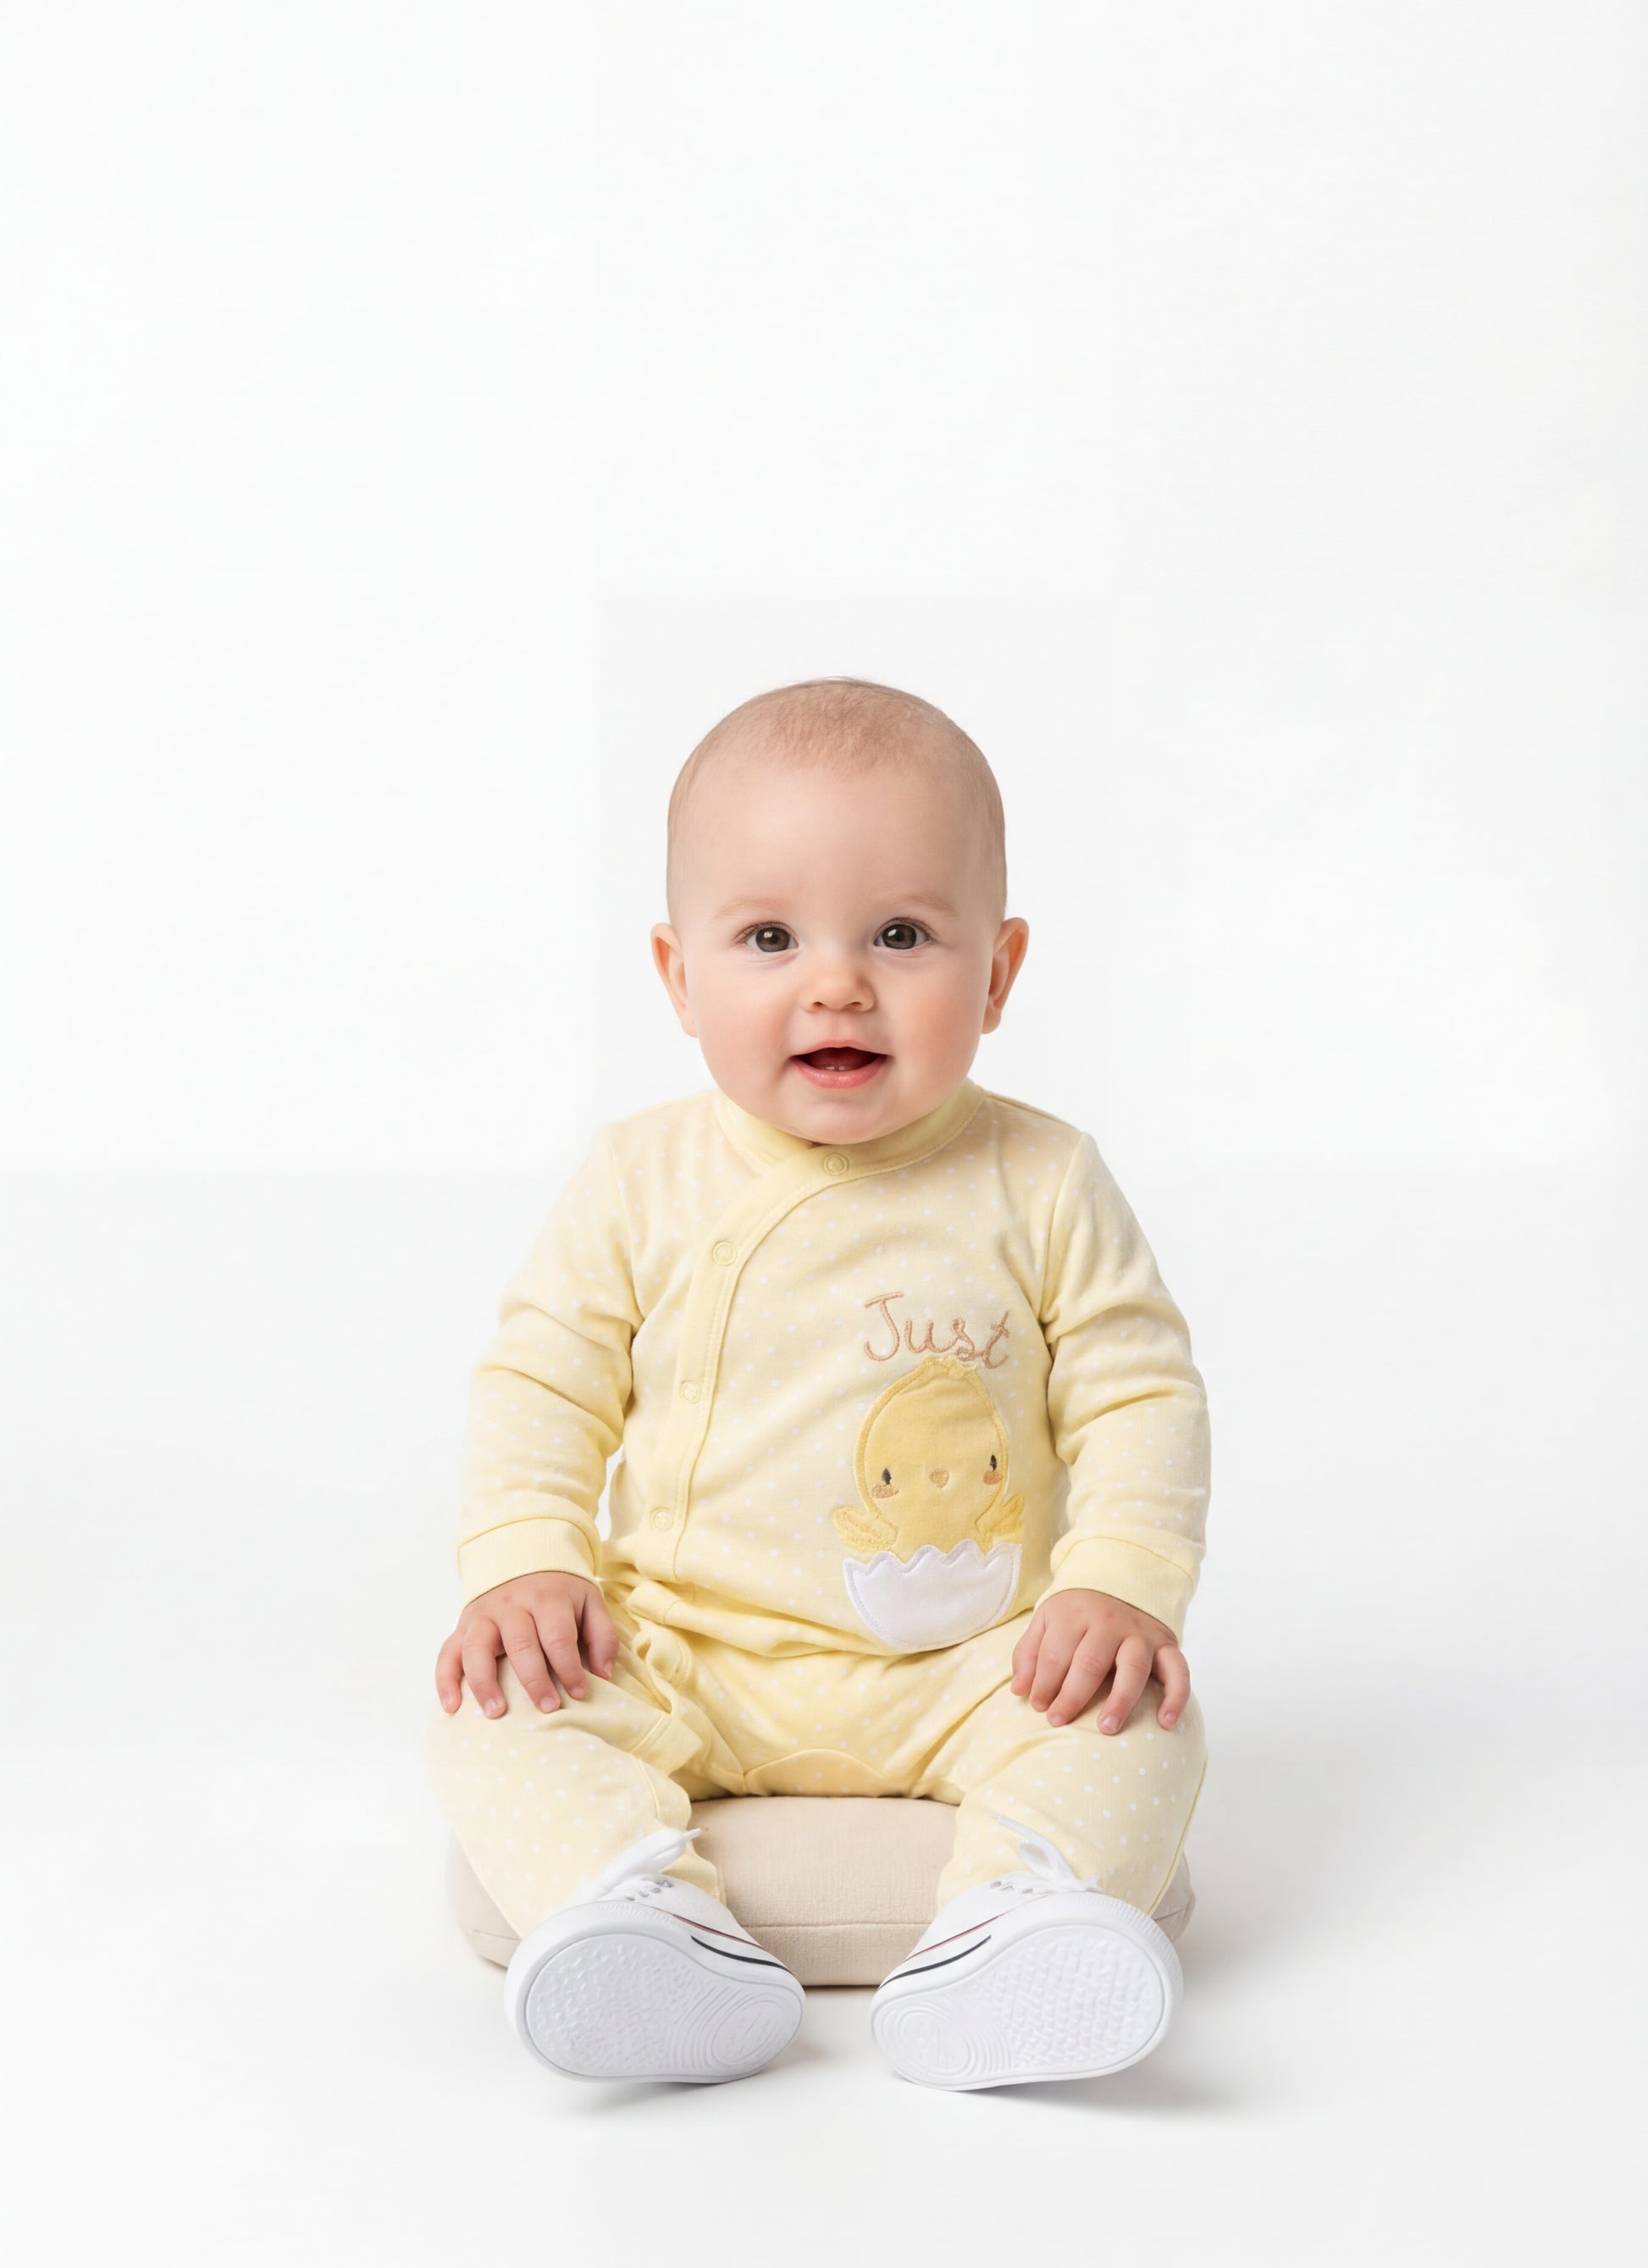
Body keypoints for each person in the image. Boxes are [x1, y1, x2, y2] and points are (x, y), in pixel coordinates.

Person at [428, 678, 1210, 2090]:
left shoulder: (1039, 1178)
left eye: (900, 933)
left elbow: (1135, 1390)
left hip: (974, 1662)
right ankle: (636, 1908)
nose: (835, 982)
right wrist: (525, 1562)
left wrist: (1121, 1586)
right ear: (678, 975)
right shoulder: (638, 1178)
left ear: (998, 970)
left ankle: (1016, 1913)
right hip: (682, 1651)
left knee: (1140, 1708)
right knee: (492, 1700)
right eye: (769, 936)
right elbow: (544, 1377)